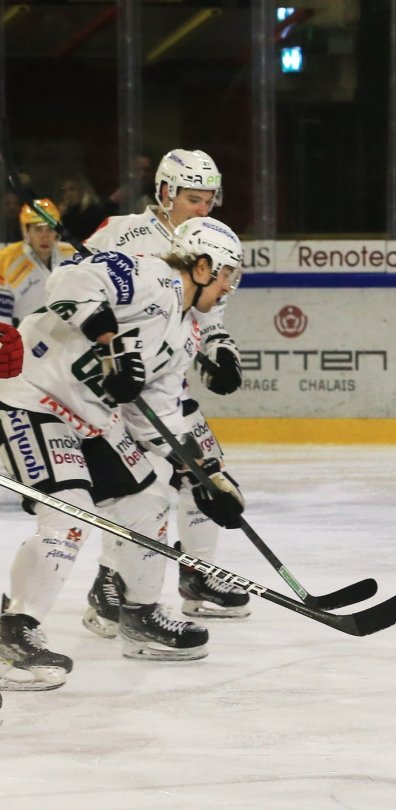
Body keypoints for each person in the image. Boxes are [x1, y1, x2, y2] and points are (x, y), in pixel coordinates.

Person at [0, 217, 245, 690]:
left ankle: (140, 614)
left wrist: (206, 475)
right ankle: (16, 628)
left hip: (90, 418)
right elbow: (68, 281)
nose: (230, 287)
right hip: (31, 394)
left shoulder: (185, 335)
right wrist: (109, 341)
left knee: (149, 501)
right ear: (200, 265)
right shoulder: (147, 274)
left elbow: (159, 417)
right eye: (227, 273)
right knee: (69, 509)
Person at [81, 148, 249, 633]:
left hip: (162, 383)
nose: (202, 209)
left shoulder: (208, 242)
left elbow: (210, 319)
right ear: (164, 193)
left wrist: (222, 354)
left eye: (208, 200)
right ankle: (110, 580)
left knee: (205, 468)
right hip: (110, 389)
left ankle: (198, 575)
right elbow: (75, 293)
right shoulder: (122, 233)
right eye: (192, 199)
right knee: (139, 488)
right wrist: (106, 349)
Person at [0, 199, 78, 327]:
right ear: (27, 231)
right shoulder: (5, 260)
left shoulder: (72, 254)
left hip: (69, 338)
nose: (45, 236)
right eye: (38, 229)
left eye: (50, 229)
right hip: (26, 340)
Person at [57, 174, 107, 242]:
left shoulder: (93, 212)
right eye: (65, 191)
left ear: (82, 190)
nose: (68, 194)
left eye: (72, 189)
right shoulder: (68, 214)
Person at [105, 151, 155, 216]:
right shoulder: (118, 194)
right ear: (129, 172)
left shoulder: (160, 196)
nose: (143, 174)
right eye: (137, 169)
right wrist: (112, 202)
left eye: (147, 170)